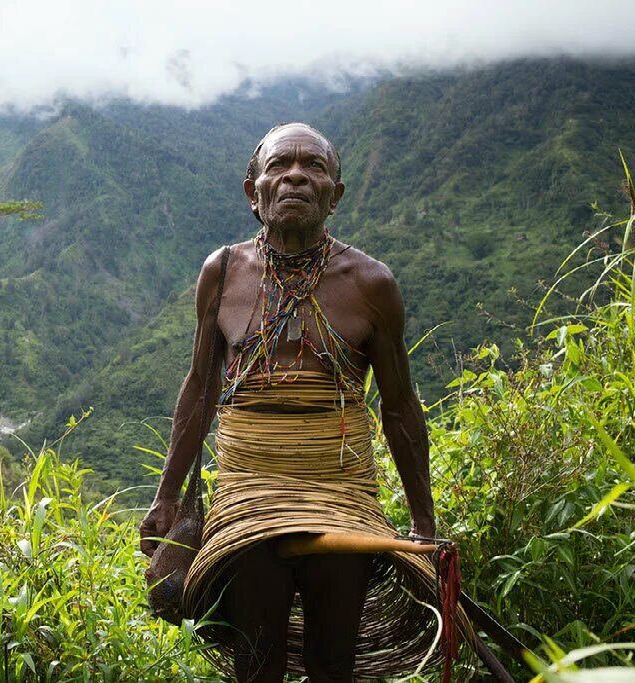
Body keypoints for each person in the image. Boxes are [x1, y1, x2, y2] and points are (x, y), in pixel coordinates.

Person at [139, 123, 454, 682]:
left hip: (340, 495)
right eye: (279, 165)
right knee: (255, 662)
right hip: (248, 496)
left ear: (335, 193)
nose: (295, 176)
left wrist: (423, 521)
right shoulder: (224, 272)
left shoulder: (370, 283)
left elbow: (400, 407)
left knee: (333, 663)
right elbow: (199, 388)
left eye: (314, 167)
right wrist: (167, 498)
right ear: (252, 191)